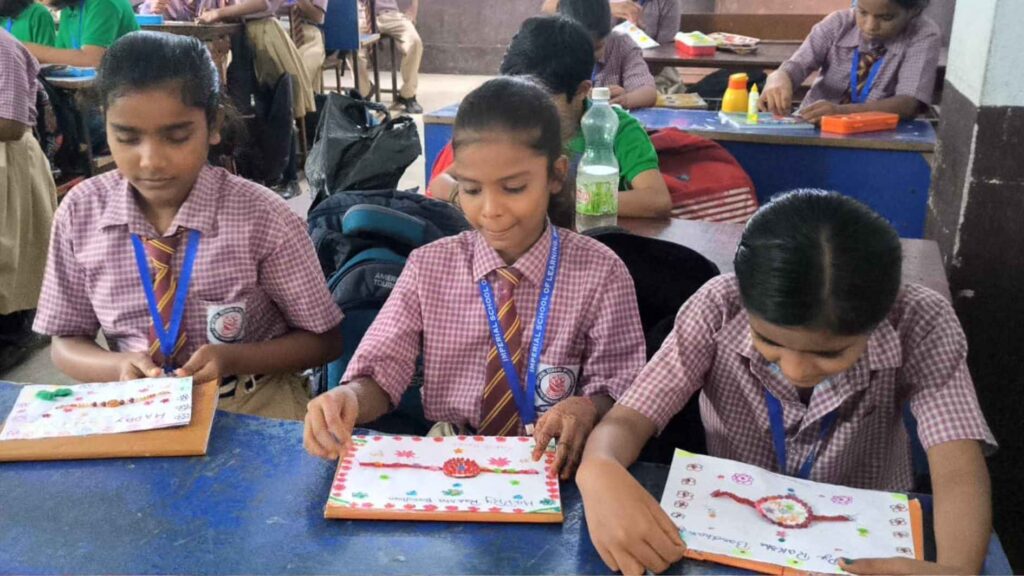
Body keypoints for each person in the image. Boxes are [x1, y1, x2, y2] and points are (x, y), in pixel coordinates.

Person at [576, 190, 996, 575]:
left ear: (883, 314)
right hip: (735, 528)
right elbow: (630, 419)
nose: (796, 370)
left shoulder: (921, 321)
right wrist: (599, 469)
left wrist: (957, 569)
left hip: (859, 534)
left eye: (830, 353)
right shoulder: (718, 305)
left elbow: (958, 461)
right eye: (769, 342)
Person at [304, 76, 646, 479]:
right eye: (470, 189)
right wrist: (347, 399)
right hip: (453, 460)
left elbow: (625, 389)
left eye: (514, 188)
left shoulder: (600, 273)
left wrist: (587, 407)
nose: (491, 210)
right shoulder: (429, 268)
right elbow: (380, 375)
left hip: (558, 466)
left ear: (555, 175)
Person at [33, 32, 344, 420]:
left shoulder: (264, 218)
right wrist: (115, 367)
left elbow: (325, 340)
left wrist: (232, 358)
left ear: (213, 125)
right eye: (126, 138)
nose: (151, 161)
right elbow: (65, 341)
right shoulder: (80, 212)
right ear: (105, 125)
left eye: (177, 137)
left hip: (251, 401)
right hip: (134, 407)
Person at [427, 16, 671, 221]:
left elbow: (656, 200)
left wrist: (557, 200)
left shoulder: (615, 128)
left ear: (582, 91)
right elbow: (441, 182)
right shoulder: (508, 125)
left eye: (544, 101)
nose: (527, 111)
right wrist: (472, 196)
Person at [760, 0, 940, 122]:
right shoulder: (838, 23)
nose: (870, 26)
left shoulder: (923, 35)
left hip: (879, 136)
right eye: (862, 12)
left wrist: (840, 113)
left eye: (886, 18)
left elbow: (908, 103)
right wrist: (779, 77)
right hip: (812, 125)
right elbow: (797, 66)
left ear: (913, 12)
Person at [0, 27, 57, 373]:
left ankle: (17, 332)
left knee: (10, 253)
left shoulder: (3, 48)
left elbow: (11, 124)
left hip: (7, 158)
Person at [199, 0, 316, 121]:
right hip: (246, 31)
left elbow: (262, 3)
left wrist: (218, 13)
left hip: (263, 33)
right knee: (248, 100)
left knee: (276, 100)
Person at [558, 0, 656, 110]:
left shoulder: (621, 44)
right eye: (580, 48)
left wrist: (626, 99)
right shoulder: (552, 49)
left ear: (608, 34)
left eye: (597, 48)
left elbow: (648, 92)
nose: (588, 56)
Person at [353, 0, 422, 113]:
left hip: (389, 14)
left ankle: (408, 95)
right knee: (353, 50)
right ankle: (364, 92)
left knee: (414, 42)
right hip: (359, 16)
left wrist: (413, 9)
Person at [23, 0, 138, 68]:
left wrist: (25, 49)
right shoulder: (69, 8)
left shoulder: (104, 2)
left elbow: (92, 60)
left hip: (132, 91)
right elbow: (59, 61)